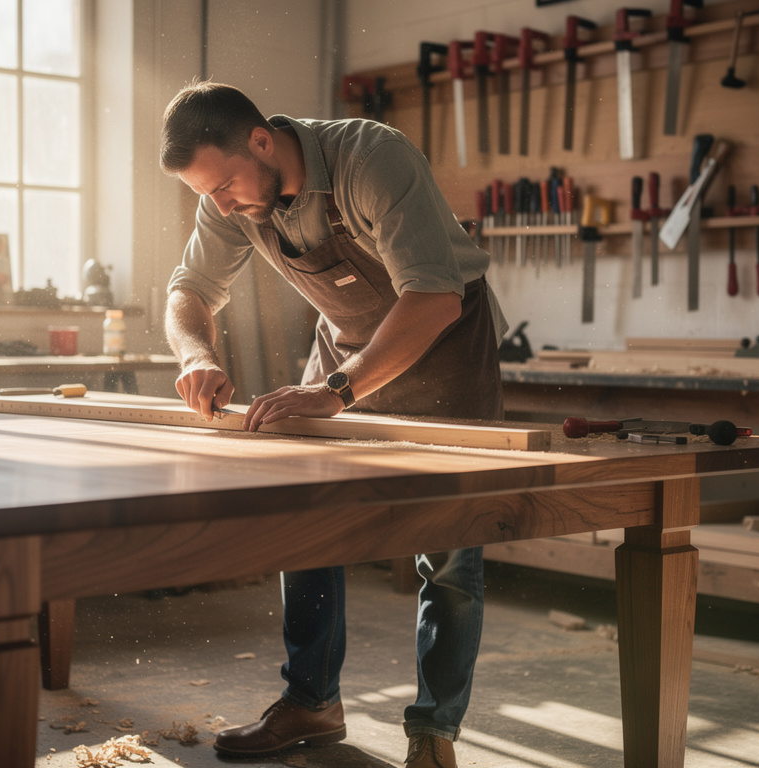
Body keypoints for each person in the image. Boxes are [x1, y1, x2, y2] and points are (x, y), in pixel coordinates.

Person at [159, 81, 507, 768]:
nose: (222, 205)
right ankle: (312, 702)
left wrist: (335, 392)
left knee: (450, 553)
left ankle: (433, 730)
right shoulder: (228, 197)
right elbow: (189, 292)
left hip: (443, 345)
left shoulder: (370, 158)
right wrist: (197, 354)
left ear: (261, 140)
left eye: (226, 185)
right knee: (307, 517)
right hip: (344, 350)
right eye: (209, 195)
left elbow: (433, 298)